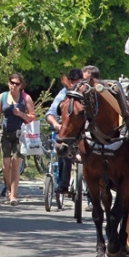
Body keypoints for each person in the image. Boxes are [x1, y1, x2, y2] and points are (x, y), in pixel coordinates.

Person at [0, 73, 36, 206]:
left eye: (17, 84)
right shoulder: (2, 97)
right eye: (12, 83)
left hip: (21, 135)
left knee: (15, 163)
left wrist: (20, 113)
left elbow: (32, 117)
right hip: (5, 134)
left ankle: (13, 195)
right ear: (8, 83)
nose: (14, 86)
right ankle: (8, 189)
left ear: (21, 85)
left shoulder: (25, 98)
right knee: (5, 165)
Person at [45, 68, 84, 197]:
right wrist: (56, 125)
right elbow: (50, 114)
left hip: (83, 134)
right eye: (73, 82)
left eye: (78, 83)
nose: (75, 86)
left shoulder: (86, 93)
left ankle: (92, 195)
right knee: (62, 151)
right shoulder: (63, 94)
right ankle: (63, 184)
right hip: (68, 134)